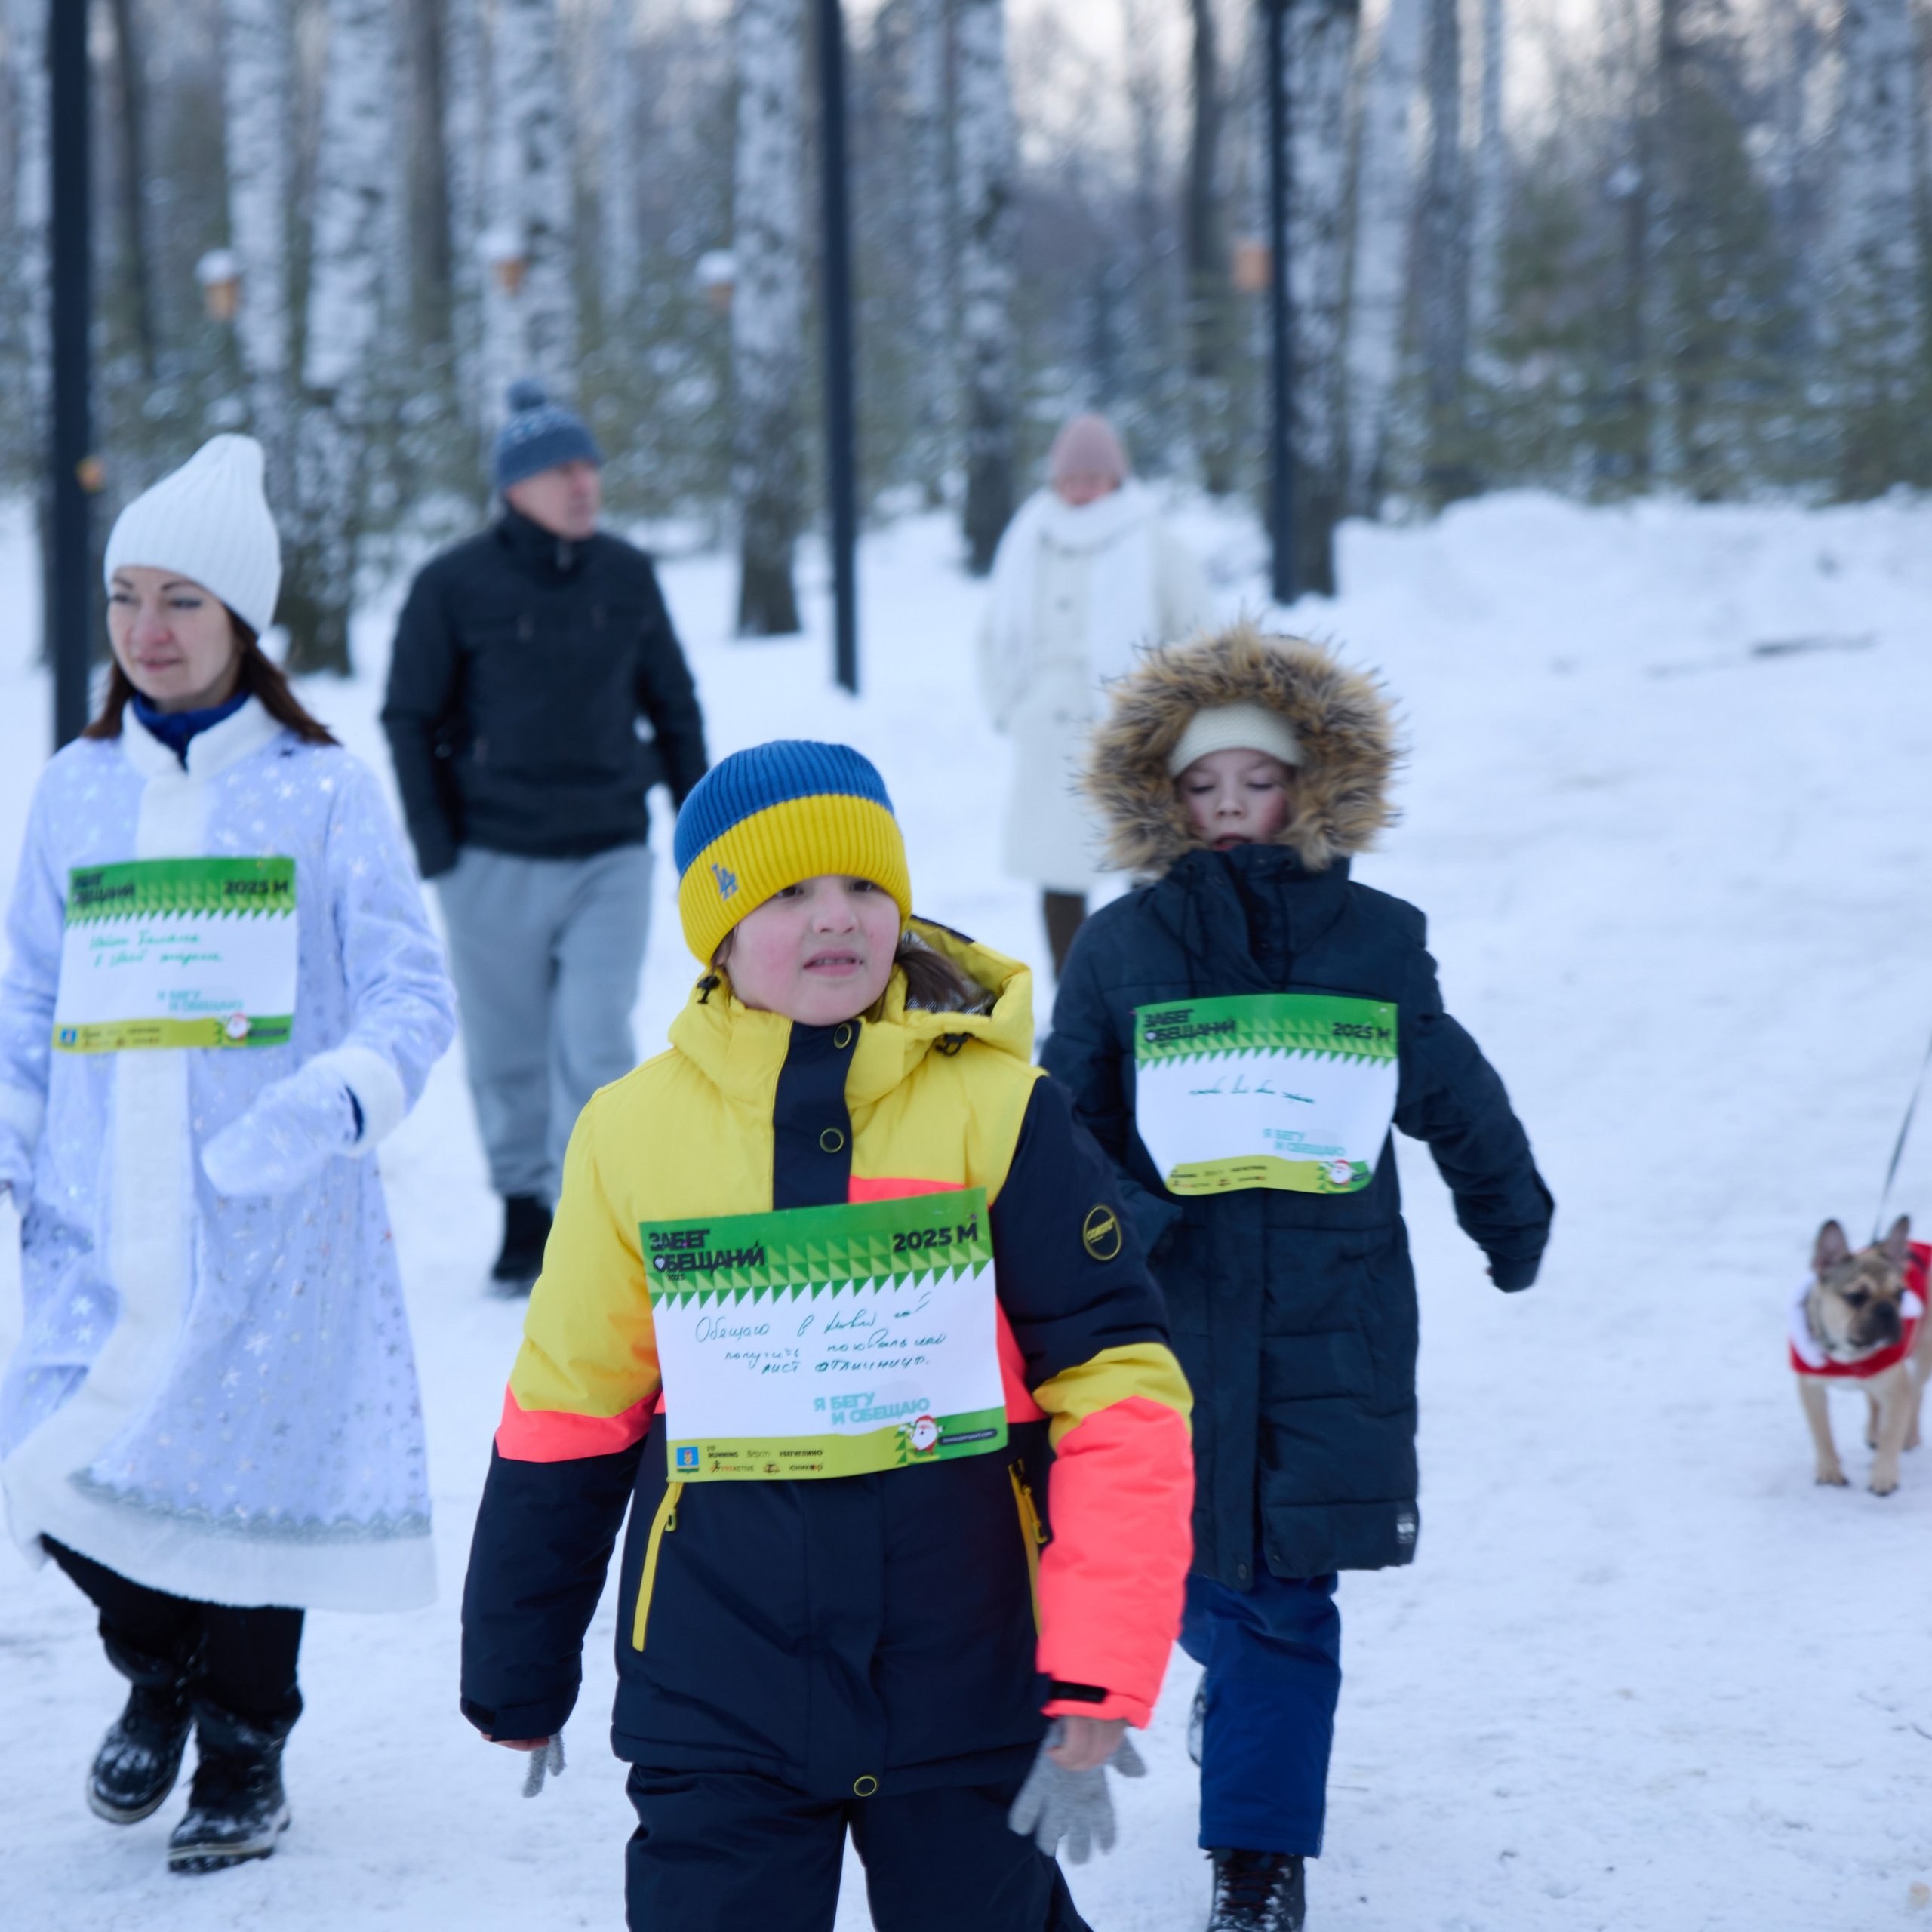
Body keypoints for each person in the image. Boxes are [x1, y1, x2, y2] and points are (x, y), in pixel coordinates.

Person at [458, 740, 1195, 1931]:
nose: (836, 918)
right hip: (718, 1684)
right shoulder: (632, 1134)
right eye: (787, 892)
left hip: (966, 1676)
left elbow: (1116, 1395)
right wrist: (517, 1664)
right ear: (717, 930)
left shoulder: (1003, 1113)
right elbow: (570, 1410)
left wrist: (1099, 1670)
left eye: (863, 886)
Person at [1041, 626, 1554, 1931]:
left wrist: (1510, 1214)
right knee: (1188, 1575)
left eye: (1254, 786)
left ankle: (1258, 1867)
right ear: (1161, 799)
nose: (1227, 813)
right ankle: (1233, 1692)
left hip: (1334, 1317)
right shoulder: (1120, 949)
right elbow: (1068, 1123)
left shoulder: (1375, 942)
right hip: (1165, 1313)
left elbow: (1450, 1086)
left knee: (1283, 1590)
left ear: (1312, 787)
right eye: (1200, 790)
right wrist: (1120, 1225)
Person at [0, 435, 456, 1873]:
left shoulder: (323, 790)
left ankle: (246, 1746)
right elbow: (26, 988)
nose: (147, 629)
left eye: (182, 600)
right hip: (93, 1212)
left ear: (244, 622)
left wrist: (330, 1103)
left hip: (273, 1219)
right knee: (49, 1463)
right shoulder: (76, 787)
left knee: (251, 1478)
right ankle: (157, 1671)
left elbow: (409, 995)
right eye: (127, 596)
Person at [383, 377, 709, 1292]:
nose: (583, 484)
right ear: (514, 485)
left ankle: (594, 1205)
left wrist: (702, 828)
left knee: (597, 1033)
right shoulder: (451, 584)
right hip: (491, 854)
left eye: (590, 467)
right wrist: (438, 849)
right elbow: (408, 716)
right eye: (561, 469)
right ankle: (525, 1208)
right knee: (508, 1044)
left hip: (609, 845)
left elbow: (672, 704)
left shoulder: (627, 573)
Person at [977, 412, 1217, 980]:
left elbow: (1197, 629)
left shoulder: (1153, 538)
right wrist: (1009, 710)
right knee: (1058, 873)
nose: (1079, 488)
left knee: (1146, 865)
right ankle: (1074, 995)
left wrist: (1171, 715)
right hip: (1048, 733)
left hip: (1133, 730)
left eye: (1092, 476)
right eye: (1070, 477)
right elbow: (992, 635)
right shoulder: (1028, 535)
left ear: (1115, 477)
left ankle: (1146, 990)